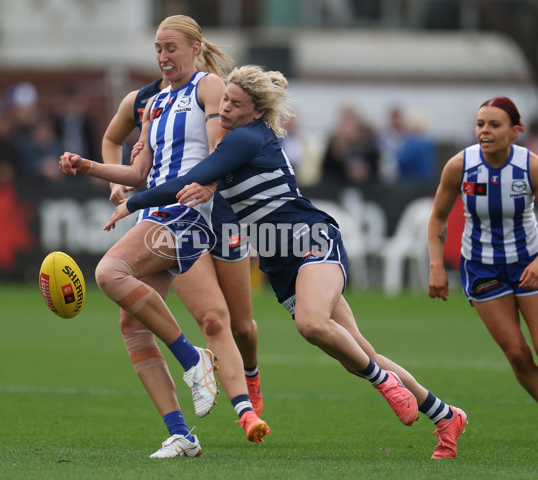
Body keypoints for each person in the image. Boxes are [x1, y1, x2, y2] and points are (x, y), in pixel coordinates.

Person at [61, 65, 467, 460]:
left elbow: (192, 176)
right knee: (359, 353)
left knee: (312, 325)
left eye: (235, 104)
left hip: (309, 239)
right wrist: (150, 148)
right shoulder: (232, 144)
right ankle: (445, 415)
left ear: (256, 112)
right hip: (279, 261)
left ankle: (384, 386)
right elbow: (201, 173)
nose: (226, 110)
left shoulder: (246, 137)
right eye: (225, 103)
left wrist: (134, 201)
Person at [62, 15, 269, 458]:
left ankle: (193, 359)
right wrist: (90, 167)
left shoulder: (208, 87)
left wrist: (209, 184)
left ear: (195, 48)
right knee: (131, 322)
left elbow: (218, 152)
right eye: (157, 48)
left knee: (108, 272)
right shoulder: (153, 103)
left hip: (186, 214)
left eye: (171, 47)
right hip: (155, 213)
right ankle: (181, 434)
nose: (162, 56)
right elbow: (139, 173)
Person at [428, 96, 538, 404]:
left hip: (529, 263)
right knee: (517, 354)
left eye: (494, 125)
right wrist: (437, 266)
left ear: (516, 131)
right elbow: (437, 219)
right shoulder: (460, 166)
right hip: (481, 268)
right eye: (480, 124)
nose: (484, 131)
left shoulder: (530, 166)